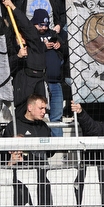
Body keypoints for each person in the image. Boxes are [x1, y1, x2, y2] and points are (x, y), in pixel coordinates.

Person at [28, 9, 67, 137]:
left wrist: (59, 45)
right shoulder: (30, 35)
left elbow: (68, 50)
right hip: (38, 82)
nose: (44, 28)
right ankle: (39, 147)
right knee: (38, 116)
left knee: (56, 117)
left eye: (46, 25)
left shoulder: (53, 34)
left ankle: (58, 148)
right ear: (34, 23)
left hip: (56, 83)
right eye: (41, 25)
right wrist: (42, 47)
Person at [7, 94, 53, 166]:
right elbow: (3, 156)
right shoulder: (13, 126)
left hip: (42, 172)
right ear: (30, 107)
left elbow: (50, 152)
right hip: (21, 172)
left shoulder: (44, 126)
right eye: (41, 108)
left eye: (45, 109)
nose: (44, 112)